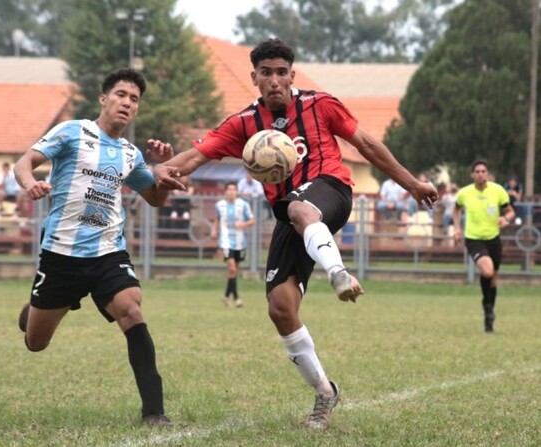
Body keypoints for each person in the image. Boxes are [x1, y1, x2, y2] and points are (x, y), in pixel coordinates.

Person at [153, 38, 438, 430]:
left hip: (331, 191)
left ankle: (338, 273)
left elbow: (367, 144)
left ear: (292, 74)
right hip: (291, 216)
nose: (274, 80)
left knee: (301, 206)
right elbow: (194, 157)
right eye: (265, 73)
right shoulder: (243, 124)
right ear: (254, 77)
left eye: (281, 72)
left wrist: (412, 184)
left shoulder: (321, 105)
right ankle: (325, 392)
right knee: (280, 308)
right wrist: (157, 169)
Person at [13, 68, 178, 426]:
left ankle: (154, 412)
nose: (127, 103)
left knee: (131, 308)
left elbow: (155, 199)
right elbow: (24, 162)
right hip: (61, 255)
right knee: (36, 343)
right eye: (120, 94)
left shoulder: (130, 154)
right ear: (104, 98)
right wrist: (30, 183)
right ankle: (35, 311)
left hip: (107, 252)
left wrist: (163, 174)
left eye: (134, 99)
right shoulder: (72, 132)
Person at [453, 160, 515, 333]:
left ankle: (489, 315)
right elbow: (456, 209)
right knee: (487, 271)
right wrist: (457, 228)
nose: (480, 174)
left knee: (493, 279)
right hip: (474, 239)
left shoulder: (498, 191)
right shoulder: (464, 193)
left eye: (483, 171)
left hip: (493, 239)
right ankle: (487, 307)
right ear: (472, 174)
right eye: (477, 171)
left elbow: (510, 211)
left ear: (487, 173)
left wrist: (506, 219)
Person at [211, 181, 255, 308]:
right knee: (232, 268)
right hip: (225, 241)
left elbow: (252, 220)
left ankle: (228, 296)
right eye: (229, 189)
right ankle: (235, 298)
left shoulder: (244, 205)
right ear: (225, 192)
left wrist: (244, 224)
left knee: (234, 271)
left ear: (237, 192)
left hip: (240, 241)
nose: (231, 192)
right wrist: (214, 230)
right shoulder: (220, 205)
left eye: (233, 190)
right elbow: (217, 219)